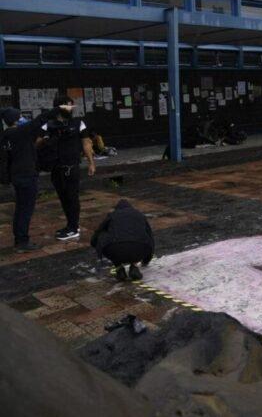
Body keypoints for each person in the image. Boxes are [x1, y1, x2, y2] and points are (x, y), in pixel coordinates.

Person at [39, 97, 96, 241]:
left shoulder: (78, 123)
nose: (70, 109)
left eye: (71, 106)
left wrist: (91, 162)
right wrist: (47, 139)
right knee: (63, 198)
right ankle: (70, 225)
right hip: (56, 166)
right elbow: (36, 142)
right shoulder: (49, 124)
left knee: (72, 197)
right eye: (66, 106)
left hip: (72, 166)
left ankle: (74, 227)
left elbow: (86, 143)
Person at [1, 106, 57, 252]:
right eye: (19, 117)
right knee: (25, 209)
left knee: (21, 208)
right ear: (15, 119)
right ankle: (21, 242)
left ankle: (20, 239)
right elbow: (38, 121)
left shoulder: (6, 135)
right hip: (26, 175)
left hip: (16, 176)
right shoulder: (19, 132)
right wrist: (57, 109)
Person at [90, 199, 154, 281]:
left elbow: (99, 231)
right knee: (139, 236)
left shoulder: (112, 215)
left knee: (104, 235)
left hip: (115, 250)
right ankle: (134, 266)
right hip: (140, 250)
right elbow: (150, 237)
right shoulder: (139, 215)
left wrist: (95, 245)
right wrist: (146, 260)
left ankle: (119, 268)